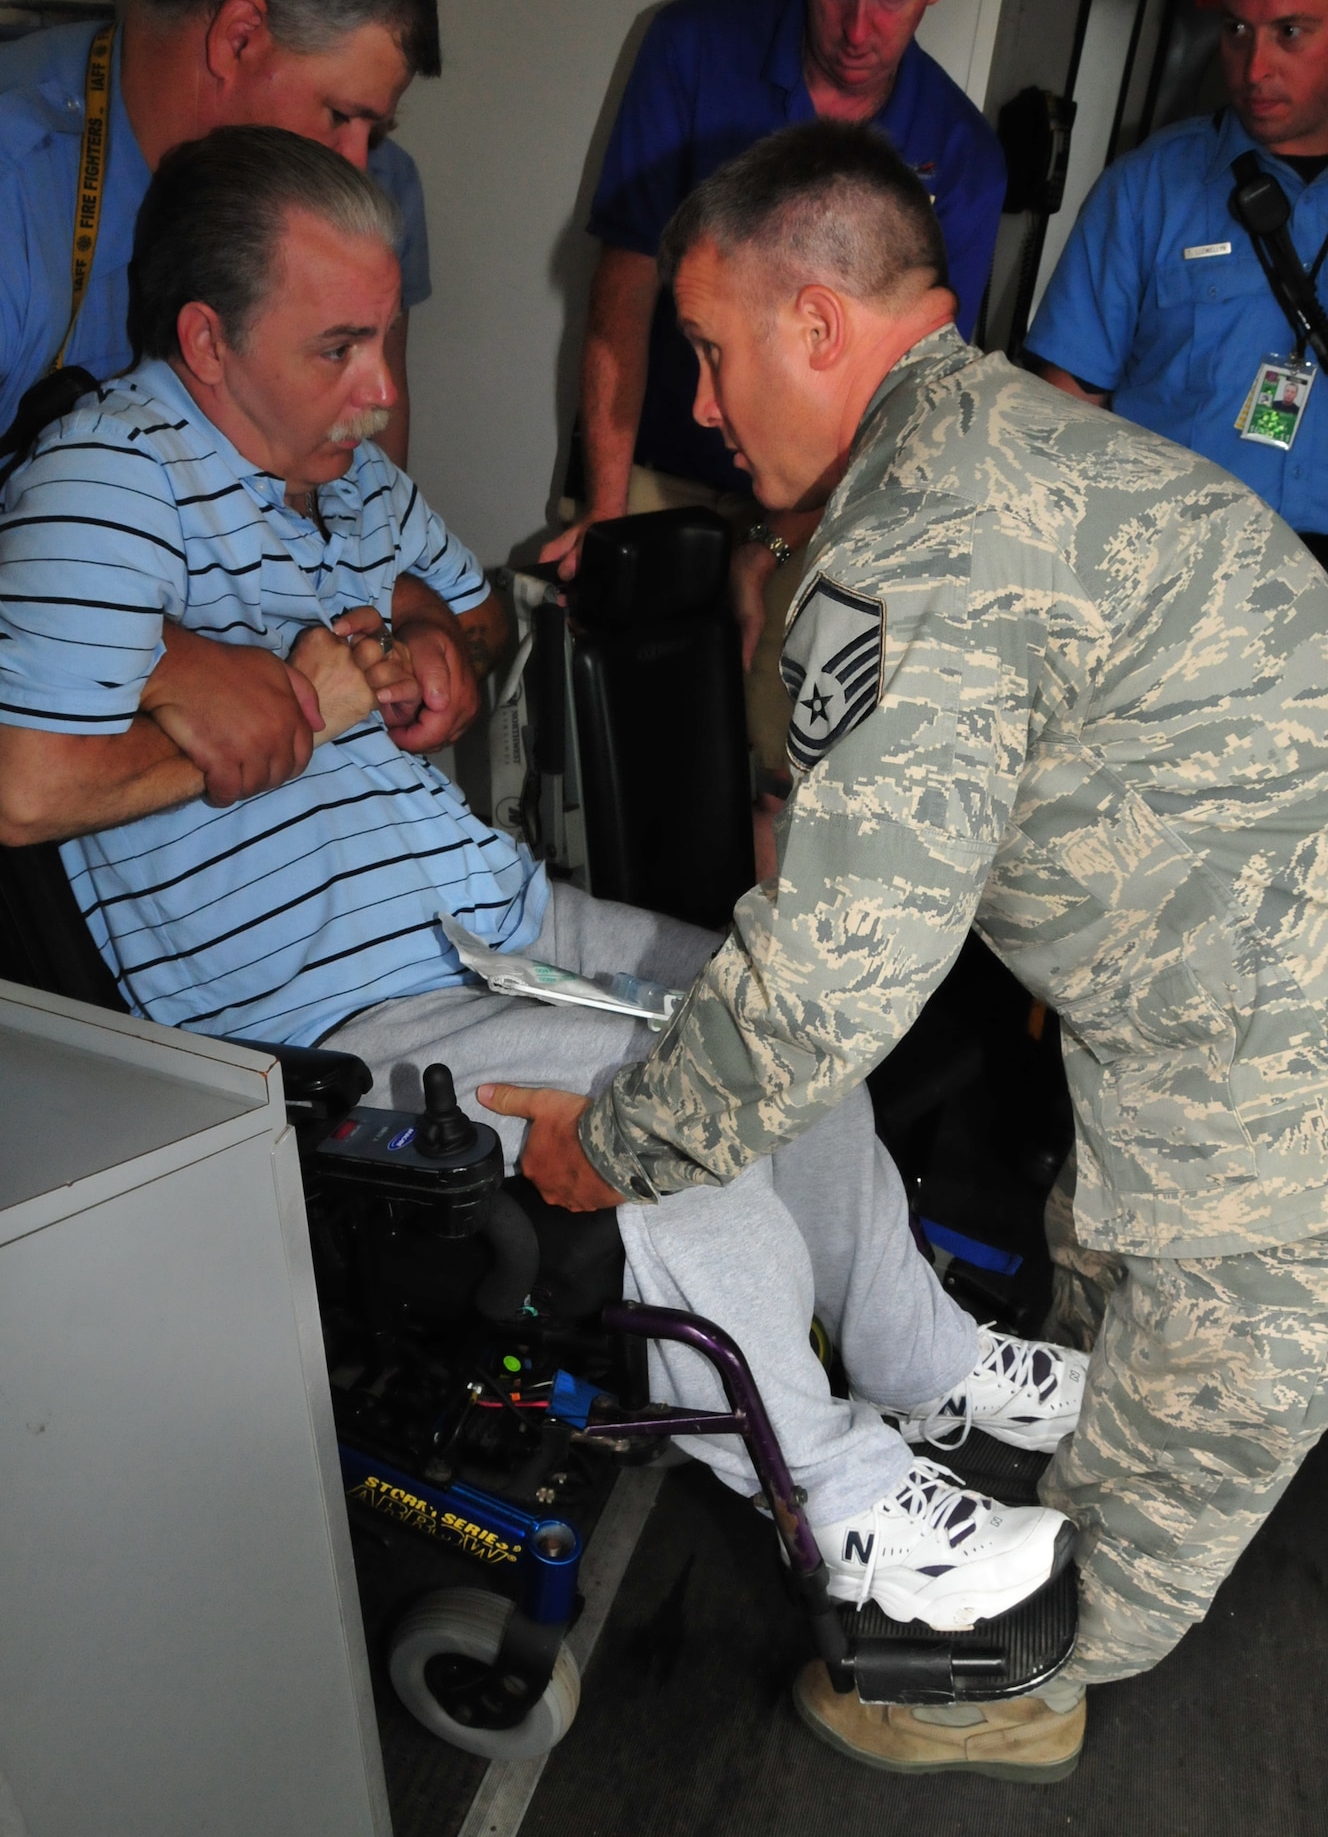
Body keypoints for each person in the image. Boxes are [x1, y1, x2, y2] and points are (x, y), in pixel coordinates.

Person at [0, 125, 1083, 1651]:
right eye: (342, 346)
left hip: (491, 918)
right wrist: (279, 708)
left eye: (387, 337)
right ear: (206, 342)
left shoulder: (336, 474)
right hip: (332, 1009)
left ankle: (920, 1360)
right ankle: (833, 1494)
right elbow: (22, 785)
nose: (384, 389)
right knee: (676, 1106)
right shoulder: (101, 486)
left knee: (773, 1002)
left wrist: (445, 651)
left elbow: (474, 612)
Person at [489, 120, 1328, 1781]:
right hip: (1199, 969)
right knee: (1118, 1270)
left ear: (817, 323)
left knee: (1217, 1359)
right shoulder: (988, 437)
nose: (704, 410)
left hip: (1267, 1002)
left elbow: (834, 971)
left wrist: (623, 1144)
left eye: (713, 356)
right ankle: (1052, 1480)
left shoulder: (916, 541)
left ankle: (1015, 1681)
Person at [542, 0, 1006, 797]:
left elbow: (910, 383)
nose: (855, 25)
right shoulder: (690, 49)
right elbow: (623, 285)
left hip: (820, 508)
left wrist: (779, 542)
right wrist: (607, 506)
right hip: (658, 465)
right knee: (608, 755)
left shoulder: (959, 152)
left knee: (783, 777)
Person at [0, 0, 439, 473]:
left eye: (378, 128)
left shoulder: (378, 188)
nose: (358, 168)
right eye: (340, 116)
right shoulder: (14, 187)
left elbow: (373, 477)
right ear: (239, 39)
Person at [1026, 0, 1328, 545]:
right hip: (1168, 566)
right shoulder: (1146, 191)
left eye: (1290, 33)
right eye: (1237, 30)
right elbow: (1064, 413)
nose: (1254, 67)